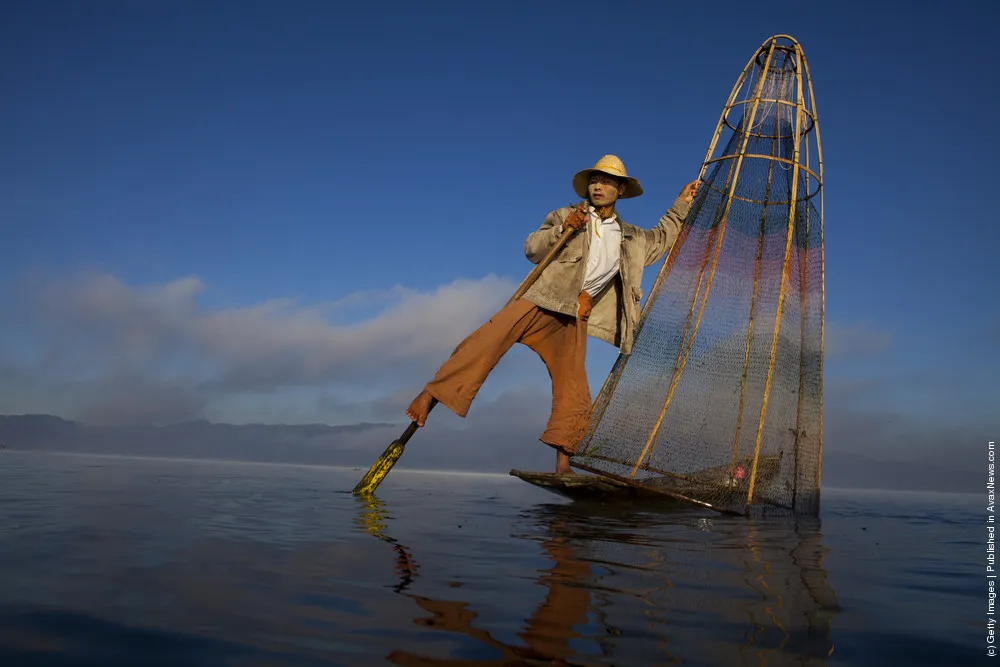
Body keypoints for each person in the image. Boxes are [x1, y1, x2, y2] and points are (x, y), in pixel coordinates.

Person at [406, 155, 701, 473]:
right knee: (483, 343)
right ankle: (429, 396)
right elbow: (532, 249)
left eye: (607, 182)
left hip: (573, 318)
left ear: (621, 189)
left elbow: (662, 239)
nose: (598, 186)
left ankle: (563, 463)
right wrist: (563, 229)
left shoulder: (630, 238)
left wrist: (682, 203)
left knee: (574, 389)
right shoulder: (567, 215)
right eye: (595, 181)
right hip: (540, 300)